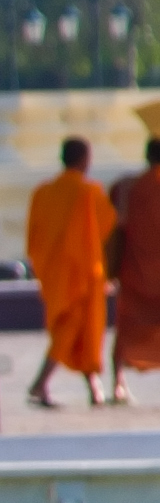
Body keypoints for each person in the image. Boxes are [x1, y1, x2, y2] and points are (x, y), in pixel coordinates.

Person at [29, 137, 119, 408]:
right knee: (74, 329)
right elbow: (109, 226)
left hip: (56, 274)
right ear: (84, 160)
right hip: (83, 274)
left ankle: (93, 387)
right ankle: (40, 384)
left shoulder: (43, 193)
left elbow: (34, 238)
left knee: (83, 331)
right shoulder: (88, 192)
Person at [110, 137, 160, 385]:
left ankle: (118, 381)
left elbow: (116, 225)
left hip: (135, 270)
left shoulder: (129, 186)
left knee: (127, 325)